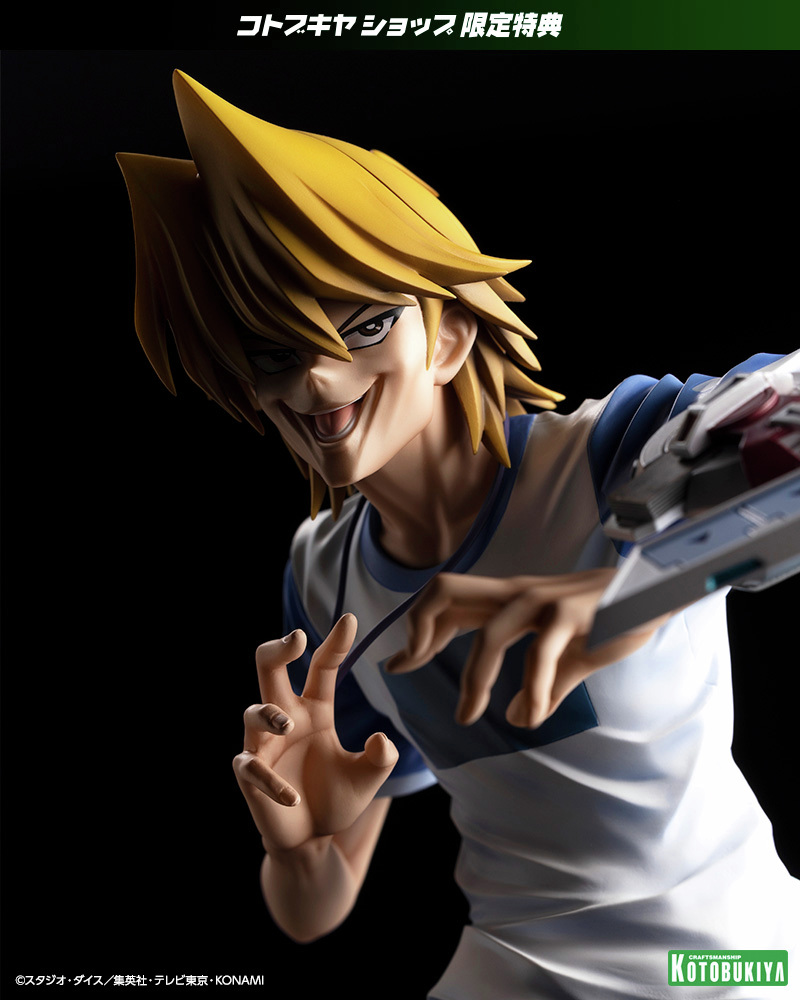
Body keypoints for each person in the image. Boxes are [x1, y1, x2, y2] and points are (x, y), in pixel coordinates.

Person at [118, 71, 798, 999]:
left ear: (447, 336)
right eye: (275, 351)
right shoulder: (325, 576)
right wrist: (299, 841)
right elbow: (312, 910)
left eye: (363, 326)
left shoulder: (606, 457)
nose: (319, 380)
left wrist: (638, 586)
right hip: (516, 961)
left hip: (728, 953)